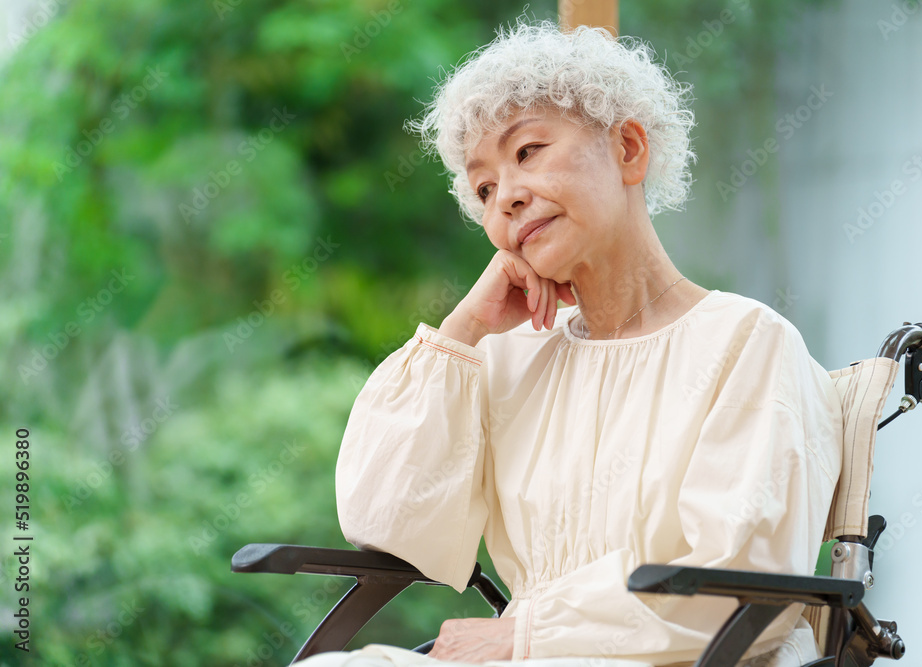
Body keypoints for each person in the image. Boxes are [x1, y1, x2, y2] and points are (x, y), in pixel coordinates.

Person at [301, 18, 843, 667]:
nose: (506, 197)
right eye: (483, 188)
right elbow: (386, 522)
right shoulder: (509, 358)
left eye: (527, 151)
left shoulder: (747, 346)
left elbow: (737, 580)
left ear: (629, 150)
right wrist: (462, 331)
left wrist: (527, 634)